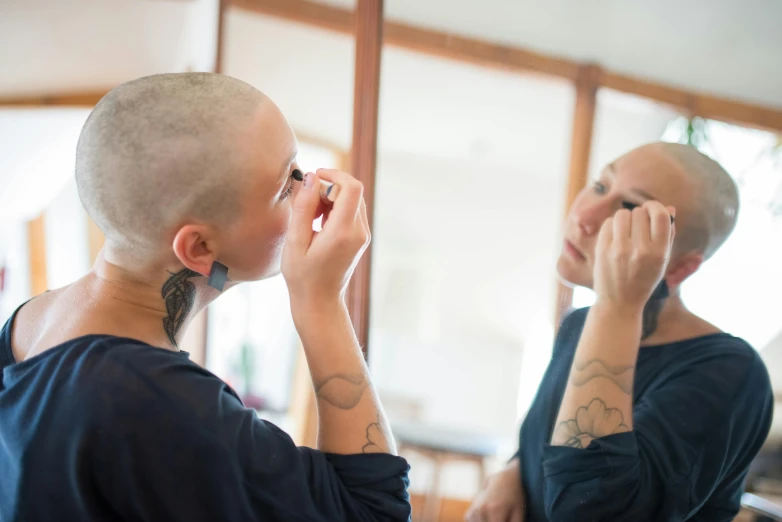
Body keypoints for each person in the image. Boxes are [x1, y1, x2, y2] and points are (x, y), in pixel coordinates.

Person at [0, 73, 411, 521]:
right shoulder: (157, 402)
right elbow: (373, 512)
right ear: (198, 248)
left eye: (300, 168)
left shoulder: (28, 322)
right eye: (285, 184)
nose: (306, 191)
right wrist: (321, 302)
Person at [466, 142, 774, 522]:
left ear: (681, 267)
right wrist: (512, 472)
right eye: (599, 185)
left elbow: (589, 509)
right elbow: (544, 441)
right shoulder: (579, 324)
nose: (585, 216)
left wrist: (618, 305)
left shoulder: (731, 373)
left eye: (630, 212)